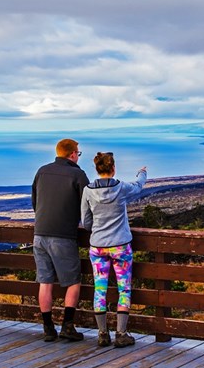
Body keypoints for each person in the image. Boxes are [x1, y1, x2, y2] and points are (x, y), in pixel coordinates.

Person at [81, 152, 147, 348]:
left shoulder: (88, 190)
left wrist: (98, 228)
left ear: (97, 169)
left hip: (98, 247)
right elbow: (138, 186)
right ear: (113, 168)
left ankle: (102, 334)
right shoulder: (121, 187)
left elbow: (86, 223)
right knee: (124, 288)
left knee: (99, 289)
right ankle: (121, 333)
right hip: (120, 247)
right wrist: (142, 173)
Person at [31, 138, 89, 342]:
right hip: (63, 235)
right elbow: (88, 204)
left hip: (39, 234)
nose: (78, 156)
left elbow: (35, 201)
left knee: (45, 282)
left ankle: (48, 328)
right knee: (73, 281)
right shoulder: (78, 174)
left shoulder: (42, 171)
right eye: (78, 153)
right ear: (72, 154)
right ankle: (67, 326)